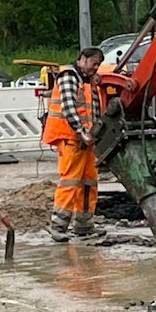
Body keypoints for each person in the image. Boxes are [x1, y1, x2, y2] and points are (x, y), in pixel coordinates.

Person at [43, 47, 105, 241]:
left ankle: (84, 224)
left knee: (89, 181)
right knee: (70, 180)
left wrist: (94, 133)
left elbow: (94, 110)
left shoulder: (87, 80)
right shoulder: (69, 76)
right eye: (93, 63)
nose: (96, 68)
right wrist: (81, 130)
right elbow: (69, 107)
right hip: (70, 137)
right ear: (82, 59)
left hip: (86, 139)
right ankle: (58, 225)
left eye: (98, 65)